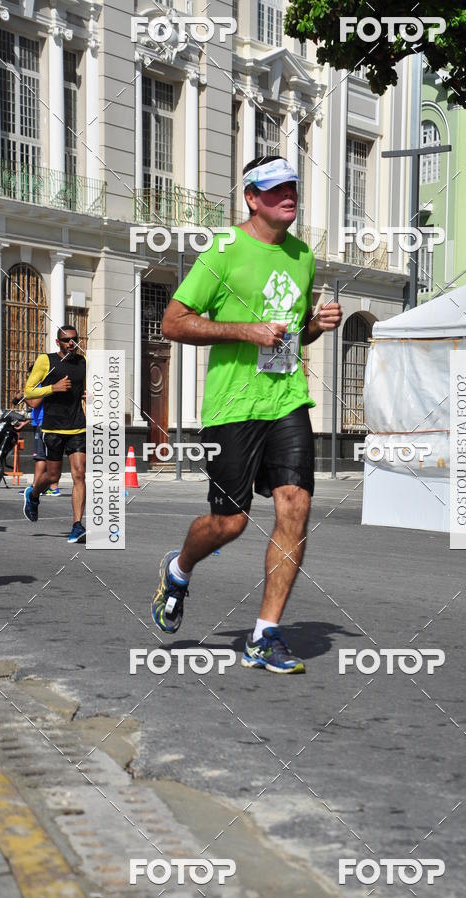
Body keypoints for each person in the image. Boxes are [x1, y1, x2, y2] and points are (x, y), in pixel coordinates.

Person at [151, 155, 342, 674]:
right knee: (230, 522)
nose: (289, 195)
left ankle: (265, 635)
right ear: (252, 198)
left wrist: (317, 324)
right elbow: (173, 322)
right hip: (232, 406)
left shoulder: (303, 256)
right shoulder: (224, 252)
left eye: (293, 187)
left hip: (286, 399)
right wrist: (244, 330)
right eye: (275, 188)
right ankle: (179, 568)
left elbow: (293, 329)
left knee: (295, 508)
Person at [21, 325, 87, 543]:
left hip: (77, 425)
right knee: (52, 477)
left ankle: (77, 525)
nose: (71, 343)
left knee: (79, 473)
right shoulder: (46, 361)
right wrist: (52, 388)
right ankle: (33, 494)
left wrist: (87, 393)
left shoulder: (82, 362)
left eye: (74, 339)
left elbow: (82, 388)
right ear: (58, 342)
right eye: (66, 340)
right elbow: (28, 392)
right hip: (52, 427)